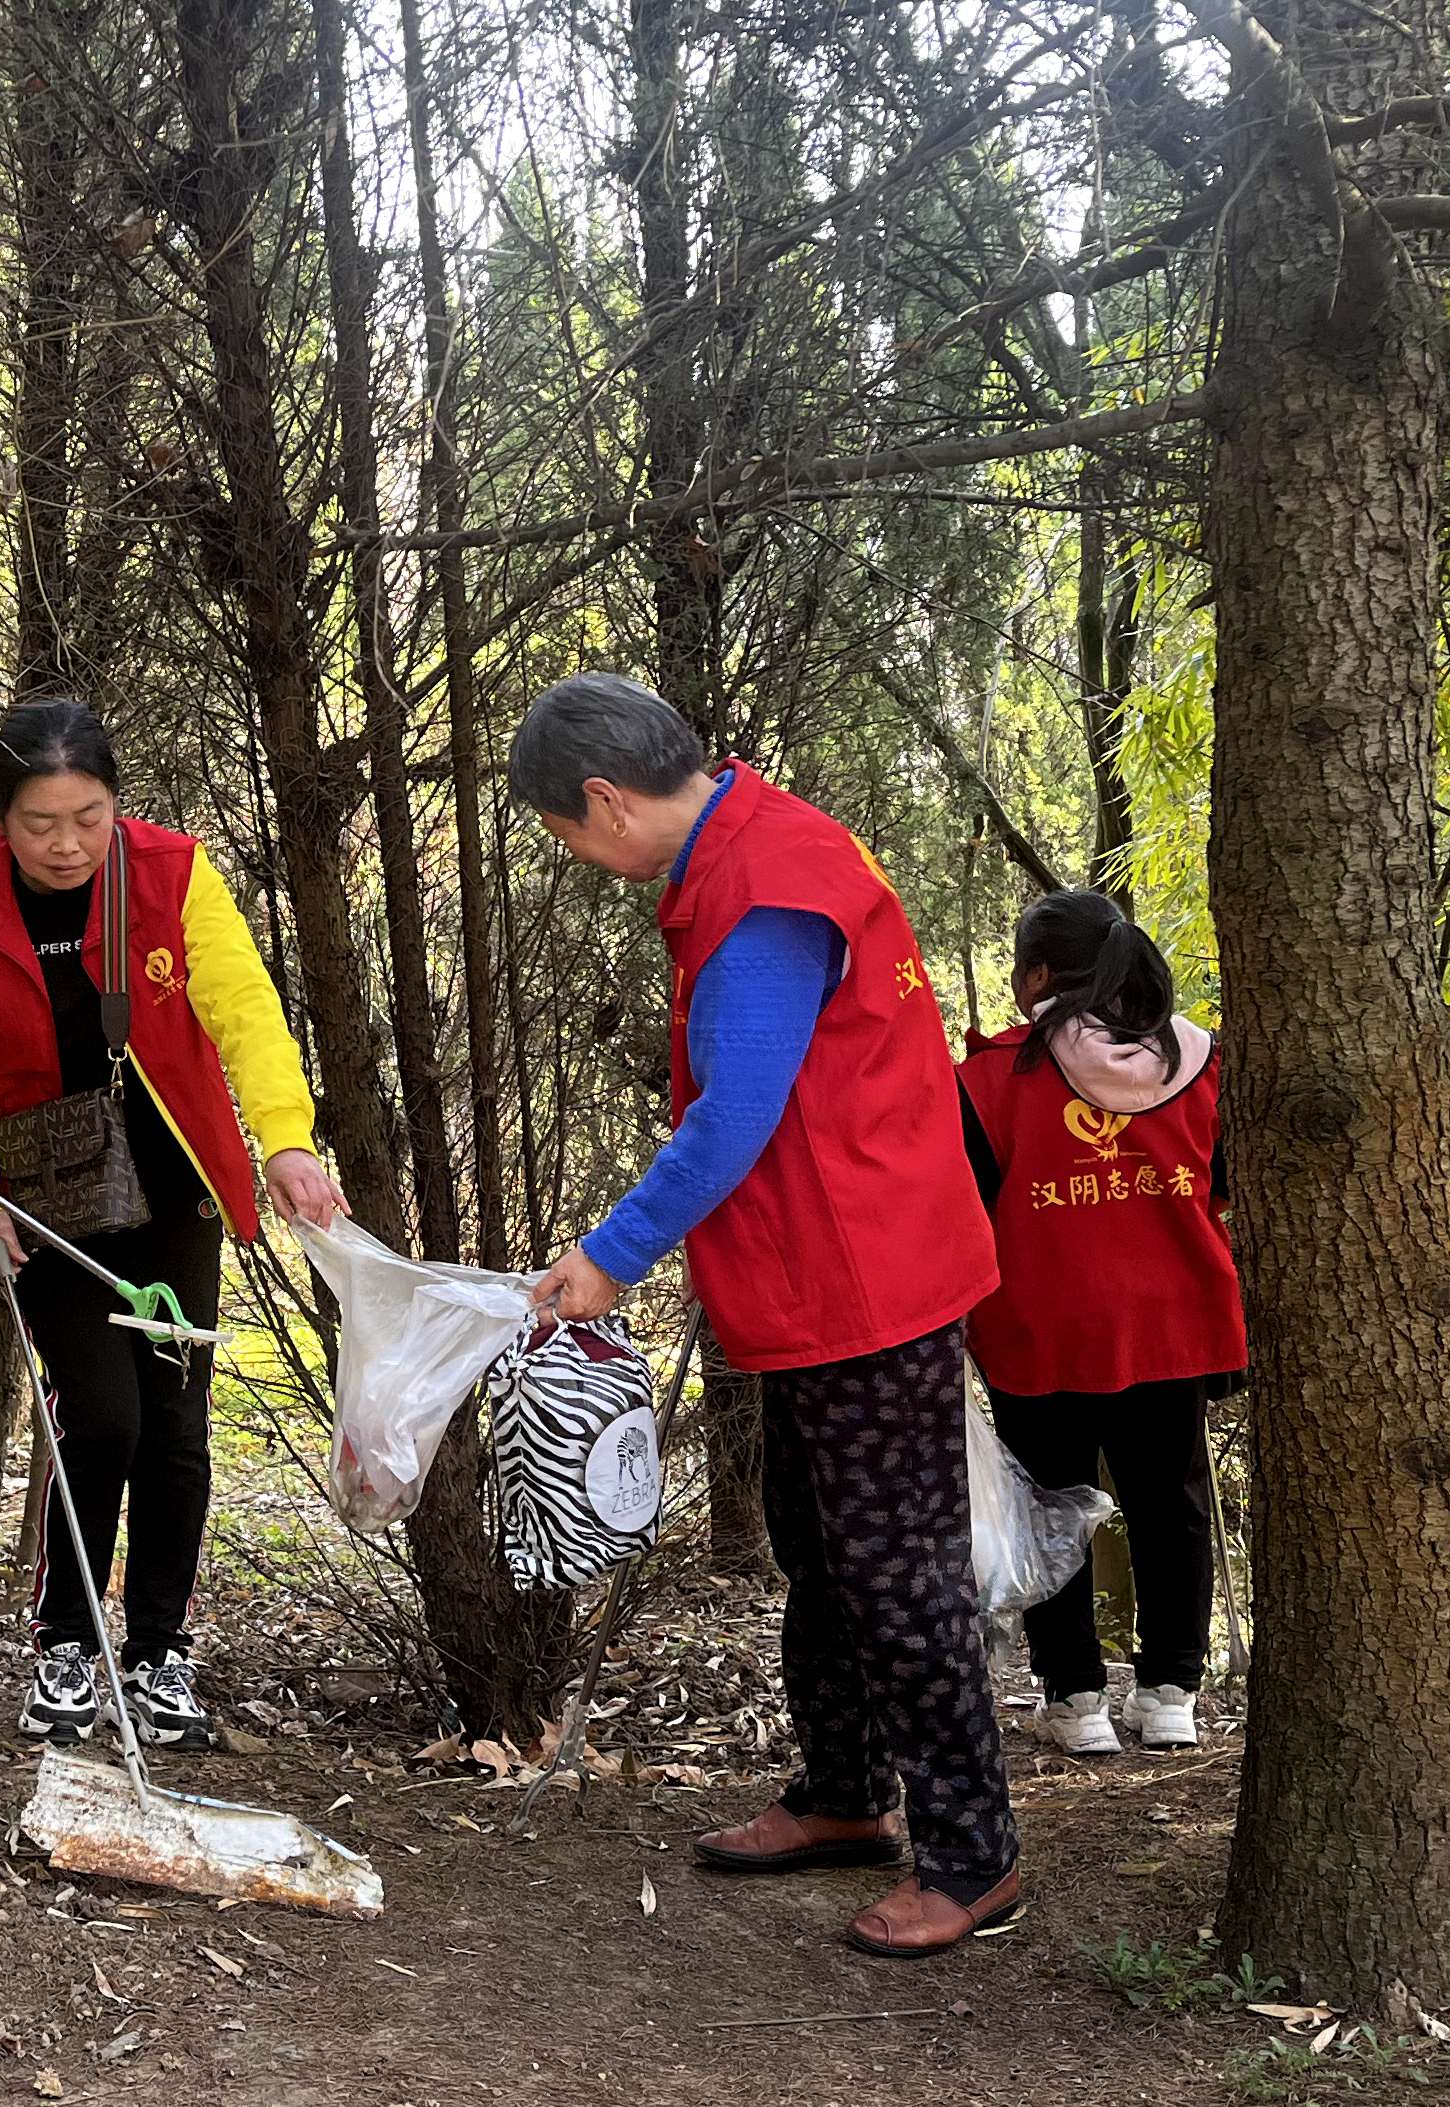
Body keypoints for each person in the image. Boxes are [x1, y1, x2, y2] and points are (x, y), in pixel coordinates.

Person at [508, 672, 1014, 1959]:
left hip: (866, 1275)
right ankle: (845, 1795)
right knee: (818, 1544)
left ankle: (971, 1854)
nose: (579, 858)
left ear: (607, 800)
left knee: (895, 1569)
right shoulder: (753, 832)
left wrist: (611, 1253)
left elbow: (732, 1116)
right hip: (815, 1271)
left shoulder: (761, 891)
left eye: (567, 834)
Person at [0, 697, 342, 1750]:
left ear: (114, 805)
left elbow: (246, 1012)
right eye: (39, 822)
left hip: (172, 1182)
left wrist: (283, 1138)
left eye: (88, 817)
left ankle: (158, 1651)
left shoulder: (174, 874)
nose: (65, 844)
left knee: (175, 1426)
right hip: (40, 1201)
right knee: (98, 1419)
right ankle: (65, 1640)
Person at [953, 890, 1242, 1757]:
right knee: (1171, 1504)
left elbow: (965, 1207)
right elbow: (1220, 1184)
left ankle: (1076, 1699)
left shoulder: (990, 1075)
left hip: (1040, 1327)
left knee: (1049, 1506)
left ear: (1038, 974)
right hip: (1172, 1322)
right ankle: (1170, 1695)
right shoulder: (1197, 1059)